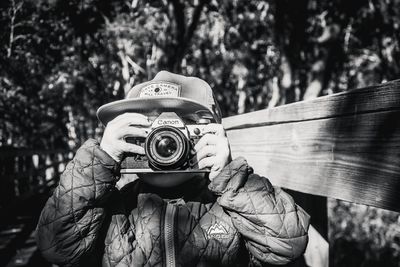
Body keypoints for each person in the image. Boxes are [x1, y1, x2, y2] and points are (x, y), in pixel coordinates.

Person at [36, 71, 310, 267]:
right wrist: (100, 161)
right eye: (147, 130)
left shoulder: (231, 204)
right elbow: (56, 247)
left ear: (209, 133)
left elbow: (288, 242)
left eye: (181, 127)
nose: (164, 141)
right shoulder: (111, 207)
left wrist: (230, 179)